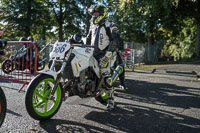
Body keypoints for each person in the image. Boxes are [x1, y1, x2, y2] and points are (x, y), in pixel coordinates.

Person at [86, 5, 126, 110]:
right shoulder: (92, 26)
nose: (94, 16)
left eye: (96, 13)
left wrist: (108, 55)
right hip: (92, 54)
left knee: (107, 77)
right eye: (93, 14)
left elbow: (115, 40)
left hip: (105, 54)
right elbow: (88, 39)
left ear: (102, 13)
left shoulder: (110, 25)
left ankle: (110, 99)